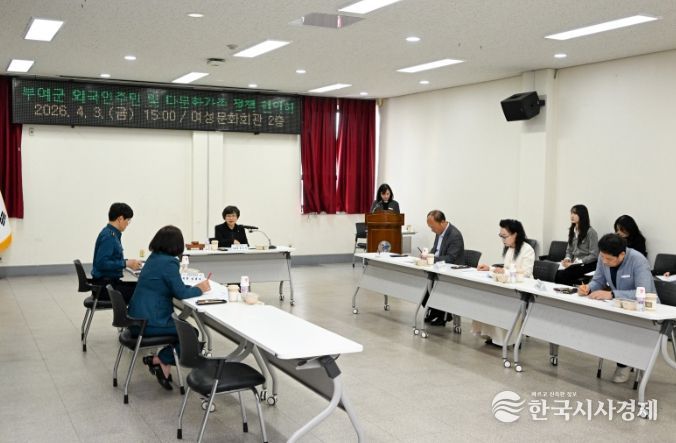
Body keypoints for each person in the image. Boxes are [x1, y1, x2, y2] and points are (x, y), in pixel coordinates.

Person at [128, 225, 210, 390]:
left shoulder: (153, 258)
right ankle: (160, 359)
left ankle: (162, 364)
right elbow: (181, 293)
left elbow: (171, 285)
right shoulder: (169, 262)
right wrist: (200, 289)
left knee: (183, 329)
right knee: (191, 333)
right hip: (149, 323)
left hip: (134, 319)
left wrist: (190, 287)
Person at [579, 233, 657, 383]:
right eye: (602, 257)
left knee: (621, 328)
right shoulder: (604, 257)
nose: (604, 261)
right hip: (619, 306)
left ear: (622, 255)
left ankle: (624, 364)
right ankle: (623, 360)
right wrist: (588, 288)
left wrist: (612, 294)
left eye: (609, 259)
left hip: (645, 310)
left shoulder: (638, 260)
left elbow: (644, 292)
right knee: (607, 325)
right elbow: (598, 280)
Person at [473, 219, 535, 346]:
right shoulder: (509, 249)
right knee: (486, 298)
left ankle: (506, 339)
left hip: (521, 289)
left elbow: (525, 274)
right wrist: (490, 268)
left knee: (500, 301)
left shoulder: (527, 250)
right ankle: (492, 336)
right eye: (501, 236)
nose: (503, 240)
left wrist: (504, 272)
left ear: (515, 234)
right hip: (508, 285)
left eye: (505, 236)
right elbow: (505, 269)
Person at [91, 202, 142, 303]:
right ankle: (131, 314)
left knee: (142, 287)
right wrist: (126, 263)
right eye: (128, 220)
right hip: (105, 288)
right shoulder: (109, 237)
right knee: (143, 292)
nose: (127, 224)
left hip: (108, 284)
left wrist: (128, 263)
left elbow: (111, 259)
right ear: (120, 219)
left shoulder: (111, 233)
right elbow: (102, 263)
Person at [422, 210, 464, 326]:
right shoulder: (439, 231)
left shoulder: (455, 235)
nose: (432, 230)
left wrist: (431, 258)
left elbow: (451, 258)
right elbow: (435, 249)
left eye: (433, 227)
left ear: (442, 222)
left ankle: (442, 315)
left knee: (433, 285)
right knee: (422, 285)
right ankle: (434, 311)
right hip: (438, 268)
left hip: (451, 271)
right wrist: (426, 255)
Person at [555, 204, 599, 285]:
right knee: (555, 272)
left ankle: (571, 291)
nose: (572, 216)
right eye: (571, 213)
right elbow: (569, 250)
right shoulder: (573, 230)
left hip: (587, 264)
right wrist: (568, 258)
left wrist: (578, 262)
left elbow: (594, 255)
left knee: (562, 275)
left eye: (575, 213)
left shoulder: (591, 232)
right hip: (575, 263)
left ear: (582, 215)